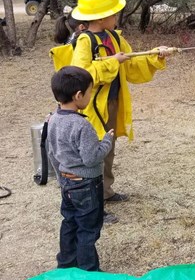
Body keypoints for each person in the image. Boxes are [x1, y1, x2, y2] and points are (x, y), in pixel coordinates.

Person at [70, 0, 172, 223]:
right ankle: (94, 207)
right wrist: (112, 62)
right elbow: (80, 73)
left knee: (108, 148)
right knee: (92, 155)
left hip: (113, 103)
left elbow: (133, 64)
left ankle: (105, 192)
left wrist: (156, 55)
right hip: (92, 110)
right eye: (114, 13)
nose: (117, 16)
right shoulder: (85, 41)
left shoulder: (114, 37)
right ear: (103, 17)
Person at [46, 66, 115, 271]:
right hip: (86, 185)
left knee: (69, 223)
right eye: (90, 91)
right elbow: (91, 158)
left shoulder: (53, 120)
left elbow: (52, 153)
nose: (90, 96)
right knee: (88, 229)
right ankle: (88, 270)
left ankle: (66, 265)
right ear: (78, 95)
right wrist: (107, 141)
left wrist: (61, 180)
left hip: (67, 183)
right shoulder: (82, 126)